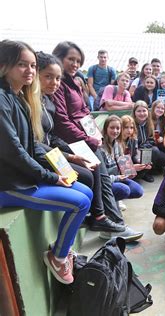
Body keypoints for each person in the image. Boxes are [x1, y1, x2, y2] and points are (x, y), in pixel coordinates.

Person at [0, 39, 92, 284]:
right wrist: (51, 177)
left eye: (32, 65)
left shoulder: (18, 97)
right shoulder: (1, 99)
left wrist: (61, 167)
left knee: (84, 188)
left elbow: (33, 147)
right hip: (9, 185)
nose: (29, 71)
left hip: (25, 177)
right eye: (22, 64)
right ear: (4, 65)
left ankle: (62, 247)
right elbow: (16, 153)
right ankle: (58, 258)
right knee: (80, 202)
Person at [51, 41, 143, 242]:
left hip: (86, 139)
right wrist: (88, 139)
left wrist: (96, 134)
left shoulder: (75, 82)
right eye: (71, 59)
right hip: (72, 141)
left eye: (78, 60)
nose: (75, 64)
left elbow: (84, 112)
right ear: (59, 58)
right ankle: (108, 221)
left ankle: (110, 222)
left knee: (103, 176)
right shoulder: (57, 85)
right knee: (99, 173)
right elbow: (62, 121)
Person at [37, 51, 123, 233]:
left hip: (53, 148)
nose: (54, 82)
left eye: (57, 78)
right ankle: (96, 215)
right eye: (48, 77)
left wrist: (74, 153)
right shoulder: (31, 102)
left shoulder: (47, 101)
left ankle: (98, 215)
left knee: (93, 165)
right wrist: (71, 155)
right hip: (42, 157)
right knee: (86, 175)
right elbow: (36, 142)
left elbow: (52, 135)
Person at [100, 115, 144, 203]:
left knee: (138, 191)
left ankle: (114, 199)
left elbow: (126, 170)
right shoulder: (100, 147)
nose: (115, 131)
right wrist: (117, 178)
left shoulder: (118, 144)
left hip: (118, 177)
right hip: (106, 181)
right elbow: (101, 177)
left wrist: (133, 168)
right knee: (124, 190)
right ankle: (108, 203)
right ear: (106, 128)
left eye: (118, 128)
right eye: (112, 128)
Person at [132, 101, 165, 180]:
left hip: (144, 149)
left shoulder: (149, 123)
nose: (142, 113)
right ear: (134, 112)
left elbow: (151, 139)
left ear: (147, 112)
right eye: (139, 111)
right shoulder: (131, 124)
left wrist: (143, 147)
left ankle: (151, 169)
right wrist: (137, 149)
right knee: (154, 151)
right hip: (134, 152)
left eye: (144, 111)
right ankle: (145, 173)